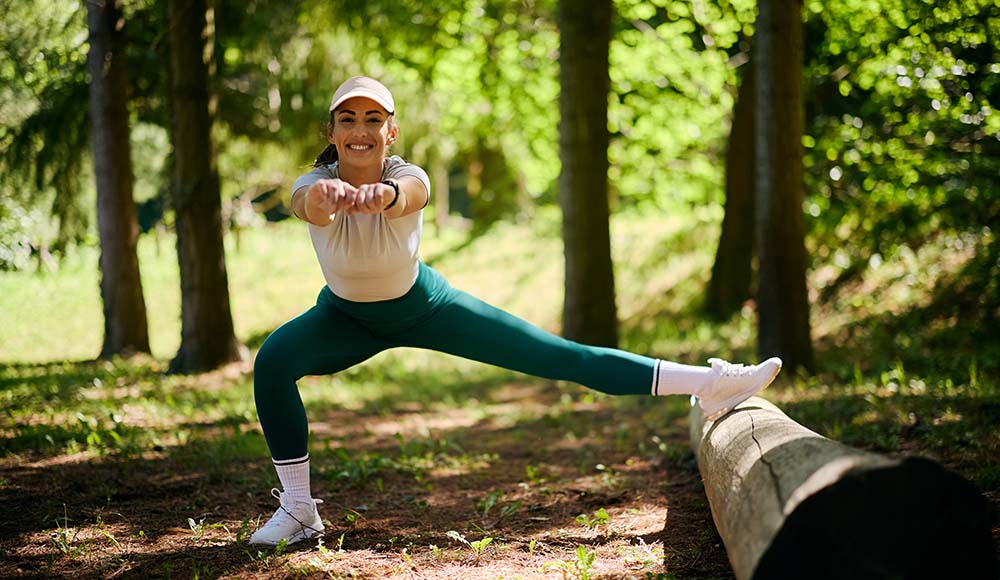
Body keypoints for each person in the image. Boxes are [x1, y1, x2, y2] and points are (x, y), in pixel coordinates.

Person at [248, 76, 782, 546]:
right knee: (273, 361)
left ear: (391, 132)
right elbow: (307, 205)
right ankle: (299, 508)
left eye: (373, 119)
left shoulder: (407, 173)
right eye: (348, 120)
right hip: (345, 318)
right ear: (332, 131)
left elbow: (412, 194)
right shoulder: (314, 183)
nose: (359, 129)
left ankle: (711, 383)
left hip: (426, 307)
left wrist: (381, 197)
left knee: (560, 357)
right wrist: (332, 197)